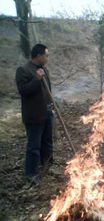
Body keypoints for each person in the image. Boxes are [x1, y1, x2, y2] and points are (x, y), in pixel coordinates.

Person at [15, 44, 53, 184]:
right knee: (34, 146)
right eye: (46, 55)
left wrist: (51, 105)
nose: (48, 58)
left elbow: (47, 90)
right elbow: (23, 91)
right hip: (34, 115)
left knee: (47, 143)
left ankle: (47, 167)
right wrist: (36, 79)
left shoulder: (44, 69)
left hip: (47, 112)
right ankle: (31, 173)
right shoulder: (23, 70)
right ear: (38, 55)